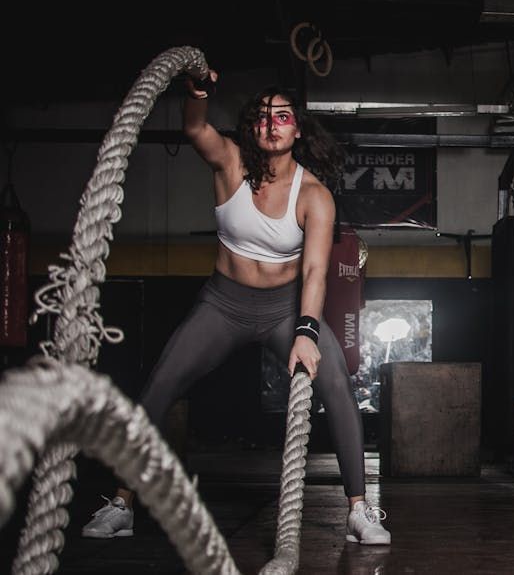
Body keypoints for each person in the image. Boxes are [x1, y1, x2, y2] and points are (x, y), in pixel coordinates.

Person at [81, 71, 390, 545]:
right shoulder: (230, 163)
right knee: (160, 383)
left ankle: (359, 510)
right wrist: (198, 93)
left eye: (282, 117)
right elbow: (195, 129)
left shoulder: (314, 196)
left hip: (286, 309)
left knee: (337, 386)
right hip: (222, 304)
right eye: (262, 117)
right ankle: (122, 503)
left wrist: (307, 331)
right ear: (253, 127)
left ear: (297, 130)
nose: (272, 125)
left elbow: (314, 273)